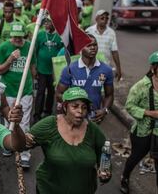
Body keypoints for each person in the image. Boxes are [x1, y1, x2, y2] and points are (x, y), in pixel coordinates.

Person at [26, 87, 111, 194]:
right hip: (49, 189)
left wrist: (105, 173)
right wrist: (21, 136)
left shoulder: (94, 131)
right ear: (65, 107)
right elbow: (22, 143)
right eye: (75, 106)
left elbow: (104, 156)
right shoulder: (49, 124)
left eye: (84, 107)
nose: (80, 111)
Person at [0, 22, 36, 165]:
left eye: (20, 37)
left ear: (24, 35)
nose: (17, 40)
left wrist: (33, 87)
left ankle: (25, 153)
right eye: (15, 37)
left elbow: (32, 67)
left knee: (24, 121)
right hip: (9, 89)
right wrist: (10, 59)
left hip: (26, 89)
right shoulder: (4, 47)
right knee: (8, 118)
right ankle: (9, 144)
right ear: (10, 36)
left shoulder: (30, 46)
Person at [120, 51, 158, 193]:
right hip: (143, 131)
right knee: (136, 157)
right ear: (154, 67)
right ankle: (125, 177)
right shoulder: (141, 86)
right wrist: (149, 113)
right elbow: (129, 106)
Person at [56, 34, 114, 123]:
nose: (92, 48)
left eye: (95, 45)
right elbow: (59, 94)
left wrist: (104, 110)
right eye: (88, 45)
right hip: (73, 118)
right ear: (81, 47)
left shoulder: (106, 70)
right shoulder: (69, 69)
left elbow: (109, 95)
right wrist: (72, 108)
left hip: (94, 118)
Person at [34, 18, 63, 122]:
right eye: (45, 22)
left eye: (49, 22)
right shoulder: (40, 35)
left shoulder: (59, 36)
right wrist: (35, 67)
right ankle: (37, 114)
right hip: (41, 69)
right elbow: (35, 51)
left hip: (54, 71)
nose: (46, 24)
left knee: (51, 92)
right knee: (40, 92)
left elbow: (62, 52)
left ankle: (48, 112)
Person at [86, 10, 122, 80]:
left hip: (104, 68)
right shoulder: (89, 31)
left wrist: (118, 69)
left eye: (107, 18)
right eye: (102, 18)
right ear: (96, 19)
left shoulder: (111, 32)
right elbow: (83, 49)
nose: (105, 20)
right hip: (90, 67)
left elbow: (114, 51)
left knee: (101, 87)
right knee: (89, 87)